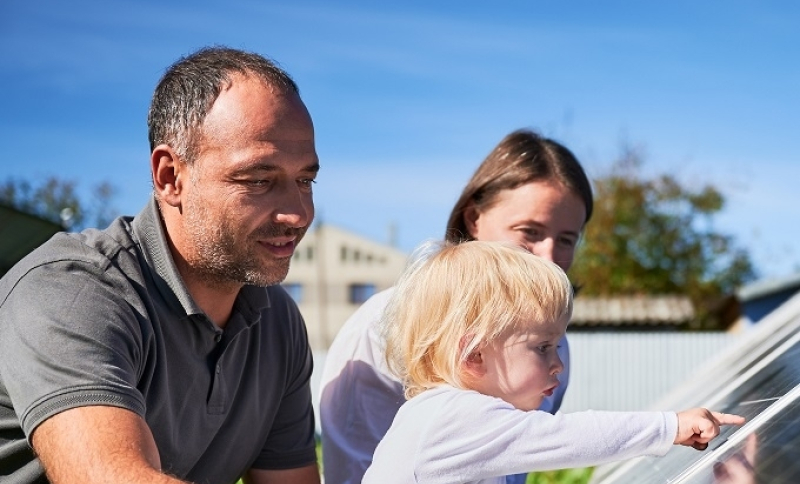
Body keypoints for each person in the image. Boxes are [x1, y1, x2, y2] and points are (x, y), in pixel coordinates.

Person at [0, 46, 321, 484]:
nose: (297, 213)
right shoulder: (72, 291)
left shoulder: (277, 323)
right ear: (170, 177)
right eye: (259, 180)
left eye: (305, 180)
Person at [319, 129, 593, 484]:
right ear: (473, 219)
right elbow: (354, 465)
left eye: (567, 239)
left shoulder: (554, 350)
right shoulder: (386, 325)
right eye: (529, 231)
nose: (549, 256)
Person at [362, 240, 745, 483]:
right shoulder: (454, 417)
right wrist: (669, 426)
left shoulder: (441, 417)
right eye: (542, 347)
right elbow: (569, 437)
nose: (558, 364)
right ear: (474, 354)